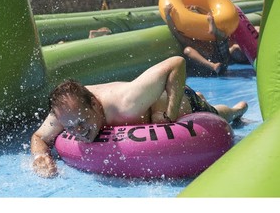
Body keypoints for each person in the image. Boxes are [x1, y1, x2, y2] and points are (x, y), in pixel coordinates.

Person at [30, 56, 248, 178]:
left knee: (220, 114)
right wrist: (40, 157)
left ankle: (236, 110)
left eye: (82, 122)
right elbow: (39, 138)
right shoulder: (65, 112)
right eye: (70, 127)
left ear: (95, 104)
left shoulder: (126, 102)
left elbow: (176, 63)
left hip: (185, 103)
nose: (78, 132)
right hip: (152, 101)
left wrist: (169, 114)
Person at [164, 3, 230, 77]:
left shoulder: (206, 32)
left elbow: (209, 14)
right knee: (188, 49)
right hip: (208, 67)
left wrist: (197, 7)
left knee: (222, 37)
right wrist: (167, 15)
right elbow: (175, 32)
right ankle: (213, 66)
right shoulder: (189, 38)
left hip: (221, 61)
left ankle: (215, 31)